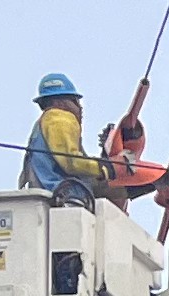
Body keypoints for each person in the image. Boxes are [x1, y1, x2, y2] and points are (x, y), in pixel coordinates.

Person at [20, 73, 107, 201]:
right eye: (75, 101)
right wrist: (104, 168)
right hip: (63, 196)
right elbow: (72, 162)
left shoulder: (44, 123)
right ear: (60, 102)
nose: (80, 107)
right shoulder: (59, 118)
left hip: (49, 194)